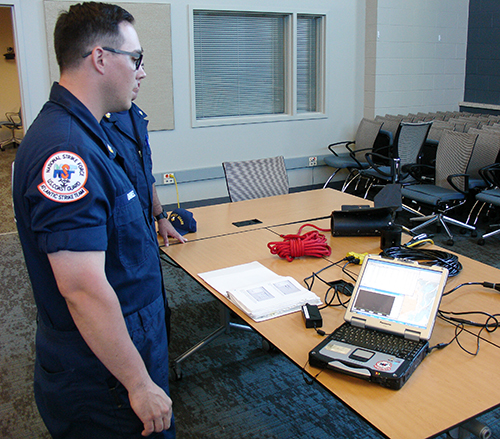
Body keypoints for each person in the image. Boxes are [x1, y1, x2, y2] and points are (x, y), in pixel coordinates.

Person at [13, 3, 176, 438]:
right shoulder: (66, 152)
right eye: (135, 57)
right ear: (101, 58)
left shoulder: (91, 132)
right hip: (102, 379)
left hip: (120, 347)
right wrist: (139, 385)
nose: (141, 70)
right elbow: (82, 288)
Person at [100, 63, 187, 247]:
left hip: (144, 226)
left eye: (144, 66)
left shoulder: (135, 116)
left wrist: (161, 216)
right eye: (135, 65)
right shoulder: (95, 123)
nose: (143, 74)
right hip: (118, 236)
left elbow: (145, 174)